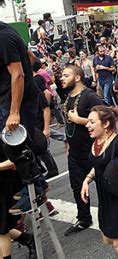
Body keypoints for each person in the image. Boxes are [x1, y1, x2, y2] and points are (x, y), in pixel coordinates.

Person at [0, 17, 39, 259]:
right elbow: (31, 58)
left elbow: (18, 75)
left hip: (15, 101)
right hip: (11, 98)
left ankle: (35, 187)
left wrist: (15, 111)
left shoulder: (2, 37)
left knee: (15, 146)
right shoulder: (9, 32)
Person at [81, 105, 118, 259]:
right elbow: (99, 166)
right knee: (107, 238)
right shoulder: (97, 141)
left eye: (92, 122)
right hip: (104, 198)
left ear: (105, 124)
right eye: (88, 122)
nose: (87, 125)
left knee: (117, 243)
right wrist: (87, 180)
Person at [61, 65, 103, 236]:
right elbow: (68, 123)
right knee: (77, 186)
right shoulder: (68, 97)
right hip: (75, 153)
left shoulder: (89, 96)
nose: (62, 78)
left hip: (93, 152)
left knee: (104, 186)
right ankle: (84, 218)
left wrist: (80, 120)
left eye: (66, 75)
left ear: (77, 77)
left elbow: (106, 118)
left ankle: (114, 217)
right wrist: (68, 140)